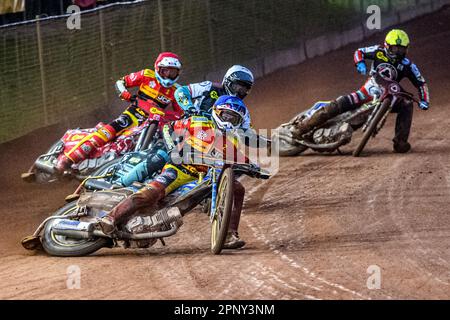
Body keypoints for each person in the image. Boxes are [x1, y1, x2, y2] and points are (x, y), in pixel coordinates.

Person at [97, 95, 258, 249]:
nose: (228, 121)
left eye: (233, 118)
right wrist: (173, 148)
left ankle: (229, 235)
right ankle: (110, 217)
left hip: (206, 177)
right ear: (216, 112)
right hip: (180, 169)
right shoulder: (198, 122)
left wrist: (253, 167)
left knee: (238, 189)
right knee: (152, 193)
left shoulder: (233, 139)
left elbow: (239, 159)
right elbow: (168, 128)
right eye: (226, 115)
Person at [118, 65, 266, 186]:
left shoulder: (240, 108)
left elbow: (247, 132)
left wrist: (259, 140)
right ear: (228, 81)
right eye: (237, 87)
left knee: (235, 166)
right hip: (189, 131)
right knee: (162, 155)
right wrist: (189, 108)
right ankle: (121, 184)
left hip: (216, 143)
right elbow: (181, 91)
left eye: (244, 89)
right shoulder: (210, 87)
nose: (240, 92)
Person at [293, 29, 430, 153]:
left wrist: (424, 100)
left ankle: (400, 142)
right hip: (366, 92)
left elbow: (421, 83)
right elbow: (360, 52)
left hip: (390, 96)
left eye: (402, 49)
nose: (399, 52)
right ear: (387, 45)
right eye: (396, 48)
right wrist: (360, 63)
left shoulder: (409, 66)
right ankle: (301, 128)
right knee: (337, 104)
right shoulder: (378, 51)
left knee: (406, 104)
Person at [56, 52, 185, 172]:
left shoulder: (177, 90)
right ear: (158, 68)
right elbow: (121, 82)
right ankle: (68, 160)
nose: (168, 75)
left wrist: (171, 117)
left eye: (172, 72)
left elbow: (182, 114)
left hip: (155, 123)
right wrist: (126, 95)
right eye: (165, 71)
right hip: (133, 114)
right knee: (108, 131)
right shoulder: (147, 75)